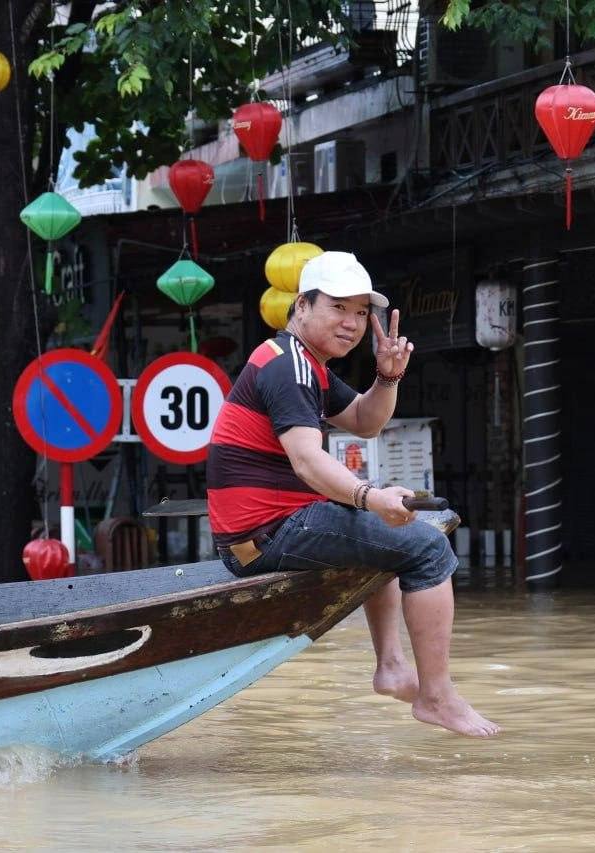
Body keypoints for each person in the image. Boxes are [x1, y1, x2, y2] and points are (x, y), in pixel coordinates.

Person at [206, 251, 500, 738]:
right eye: (338, 308)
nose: (352, 323)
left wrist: (388, 377)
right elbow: (307, 460)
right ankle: (436, 696)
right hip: (268, 534)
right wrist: (369, 496)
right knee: (429, 548)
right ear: (302, 305)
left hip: (267, 528)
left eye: (362, 312)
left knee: (391, 533)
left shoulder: (305, 364)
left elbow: (366, 421)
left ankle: (392, 666)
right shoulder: (290, 368)